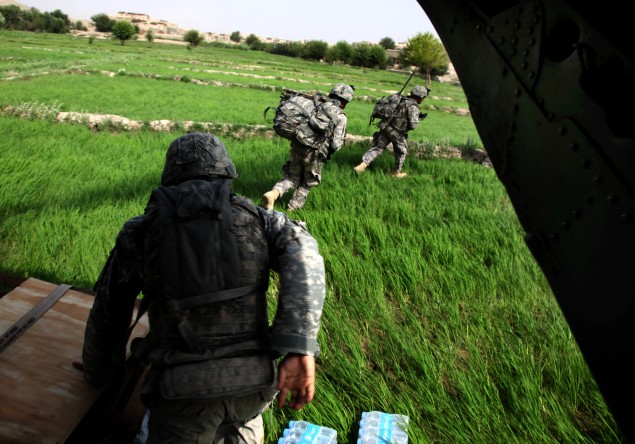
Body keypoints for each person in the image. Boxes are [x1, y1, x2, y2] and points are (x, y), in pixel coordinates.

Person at [75, 132, 326, 443]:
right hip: (255, 383)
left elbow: (110, 310)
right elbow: (304, 252)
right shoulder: (259, 220)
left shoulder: (141, 231)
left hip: (183, 394)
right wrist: (299, 345)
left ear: (171, 175)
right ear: (225, 170)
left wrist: (97, 372)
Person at [262, 83, 354, 211]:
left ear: (331, 94)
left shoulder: (317, 105)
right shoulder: (340, 117)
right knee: (308, 182)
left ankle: (273, 193)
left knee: (291, 177)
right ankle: (291, 209)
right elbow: (336, 144)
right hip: (314, 153)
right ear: (345, 102)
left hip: (297, 145)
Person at [354, 85, 430, 178]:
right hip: (397, 133)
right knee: (401, 152)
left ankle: (362, 166)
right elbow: (413, 125)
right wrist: (418, 118)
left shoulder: (400, 99)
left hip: (385, 128)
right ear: (421, 97)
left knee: (378, 148)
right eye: (423, 97)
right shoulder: (413, 106)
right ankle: (395, 173)